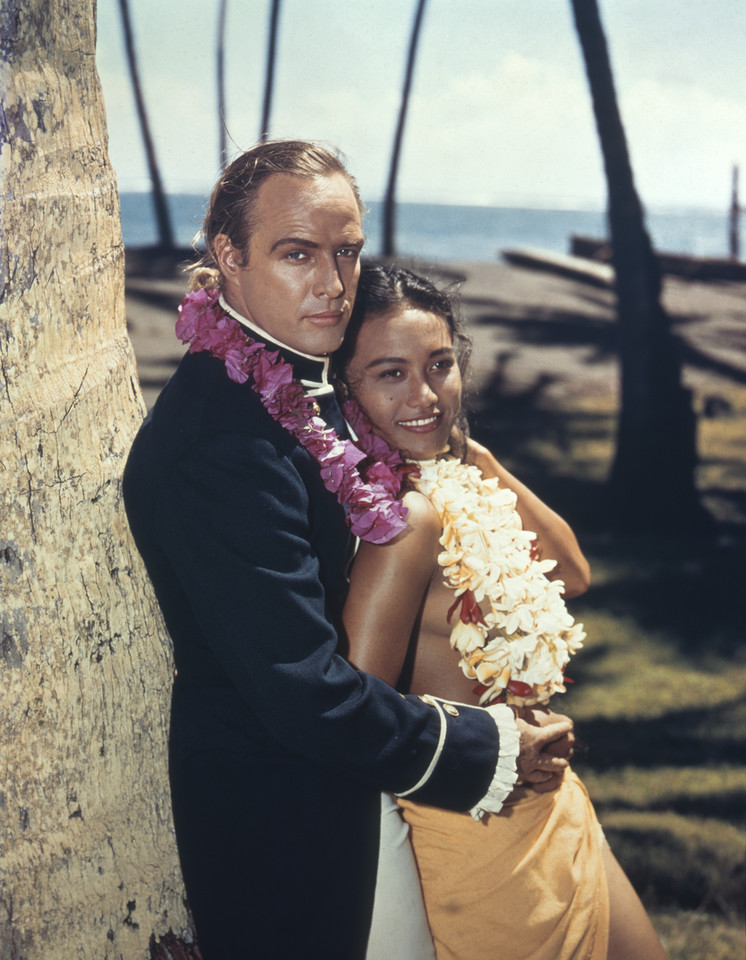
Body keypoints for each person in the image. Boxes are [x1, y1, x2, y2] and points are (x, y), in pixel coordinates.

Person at [122, 140, 575, 960]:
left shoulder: (294, 387)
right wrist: (491, 746)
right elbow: (304, 691)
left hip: (357, 780)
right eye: (298, 254)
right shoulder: (222, 441)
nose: (333, 284)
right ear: (228, 257)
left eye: (347, 252)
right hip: (288, 820)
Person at [336, 263, 669, 960]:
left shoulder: (460, 481)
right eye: (389, 374)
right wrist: (496, 740)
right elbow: (353, 716)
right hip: (480, 835)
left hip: (557, 802)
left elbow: (573, 572)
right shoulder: (400, 524)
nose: (425, 395)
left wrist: (478, 457)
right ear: (345, 390)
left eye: (441, 365)